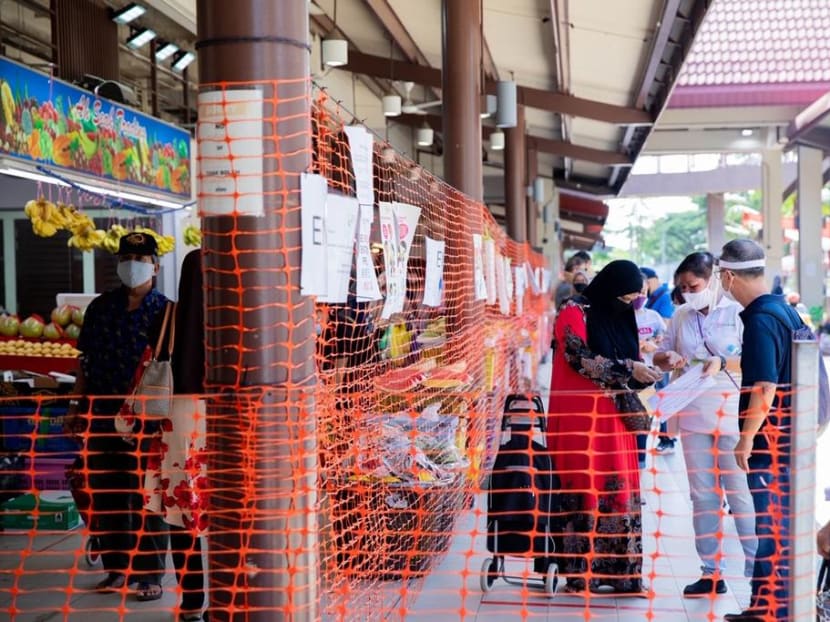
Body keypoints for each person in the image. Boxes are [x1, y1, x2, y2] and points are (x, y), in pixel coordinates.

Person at [548, 259, 663, 594]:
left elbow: (621, 354)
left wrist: (645, 367)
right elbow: (578, 356)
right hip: (577, 415)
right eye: (624, 299)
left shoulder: (617, 313)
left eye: (632, 301)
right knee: (584, 485)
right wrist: (629, 367)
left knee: (620, 486)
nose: (626, 307)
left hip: (615, 416)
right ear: (610, 289)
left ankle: (622, 574)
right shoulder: (574, 310)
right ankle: (581, 574)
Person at [64, 232, 170, 595]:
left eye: (139, 260)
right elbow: (85, 363)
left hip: (146, 419)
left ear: (154, 266)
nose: (132, 266)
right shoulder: (100, 308)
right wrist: (74, 406)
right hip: (100, 413)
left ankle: (149, 576)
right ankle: (116, 568)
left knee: (146, 494)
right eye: (126, 258)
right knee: (107, 492)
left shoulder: (165, 312)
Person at [652, 251, 757, 597]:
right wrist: (666, 358)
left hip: (731, 417)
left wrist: (722, 361)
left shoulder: (738, 312)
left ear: (712, 278)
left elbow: (756, 361)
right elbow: (661, 353)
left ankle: (758, 571)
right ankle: (711, 571)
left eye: (692, 285)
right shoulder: (680, 315)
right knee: (703, 496)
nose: (687, 292)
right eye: (682, 287)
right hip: (693, 413)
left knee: (741, 494)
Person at [717, 239, 792, 622]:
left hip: (773, 441)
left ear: (728, 276)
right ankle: (766, 607)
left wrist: (746, 439)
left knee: (772, 524)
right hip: (791, 437)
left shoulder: (762, 320)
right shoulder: (783, 310)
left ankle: (771, 610)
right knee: (775, 525)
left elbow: (766, 386)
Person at [641, 267, 677, 455]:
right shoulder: (654, 297)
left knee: (661, 400)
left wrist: (654, 342)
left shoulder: (663, 297)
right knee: (643, 408)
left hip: (655, 363)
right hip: (639, 366)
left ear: (652, 281)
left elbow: (665, 327)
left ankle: (667, 439)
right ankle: (641, 448)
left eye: (644, 288)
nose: (642, 294)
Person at [633, 279, 666, 468]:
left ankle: (641, 461)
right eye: (637, 292)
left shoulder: (653, 316)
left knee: (645, 418)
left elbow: (665, 337)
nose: (640, 297)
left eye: (644, 292)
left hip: (649, 377)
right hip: (628, 376)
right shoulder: (621, 316)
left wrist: (657, 340)